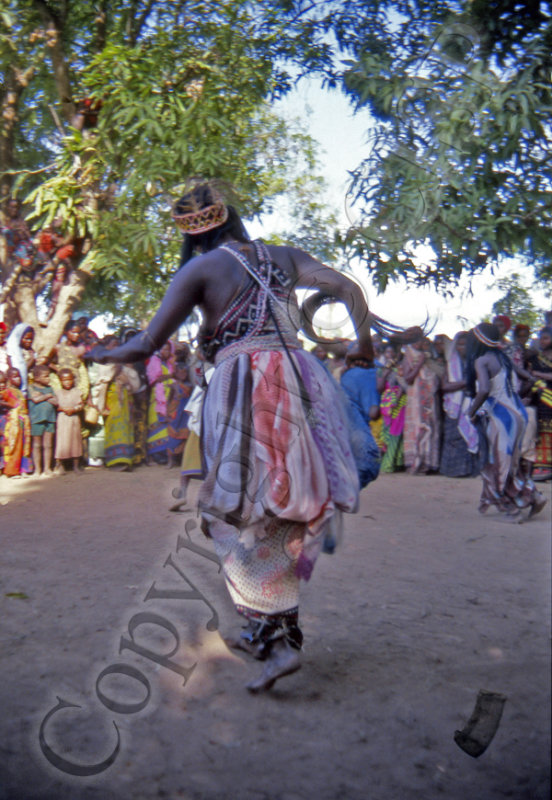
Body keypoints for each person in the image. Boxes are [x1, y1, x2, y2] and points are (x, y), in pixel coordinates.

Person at [87, 181, 374, 692]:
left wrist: (104, 354)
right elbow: (350, 290)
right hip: (299, 379)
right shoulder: (283, 256)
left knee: (233, 513)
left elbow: (146, 344)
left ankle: (279, 640)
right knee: (280, 503)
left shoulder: (199, 268)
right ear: (233, 218)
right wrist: (363, 346)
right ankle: (269, 631)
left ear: (191, 233)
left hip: (242, 384)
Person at [466, 323, 545, 520]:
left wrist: (471, 410)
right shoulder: (504, 357)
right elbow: (528, 377)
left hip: (501, 417)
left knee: (498, 463)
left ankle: (510, 507)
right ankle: (531, 494)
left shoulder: (482, 361)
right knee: (511, 462)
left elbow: (484, 389)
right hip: (518, 413)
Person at [439, 331, 481, 478]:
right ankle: (453, 470)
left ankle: (470, 470)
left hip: (472, 404)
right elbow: (444, 386)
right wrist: (465, 383)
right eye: (460, 345)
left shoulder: (477, 362)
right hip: (454, 407)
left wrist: (460, 385)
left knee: (470, 435)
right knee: (453, 438)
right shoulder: (450, 364)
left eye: (466, 345)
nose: (463, 348)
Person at [340, 349, 381, 488]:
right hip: (355, 425)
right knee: (369, 463)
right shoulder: (372, 374)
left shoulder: (345, 373)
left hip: (338, 423)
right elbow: (373, 412)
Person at [402, 334, 442, 474]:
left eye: (421, 340)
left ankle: (427, 463)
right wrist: (420, 363)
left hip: (429, 399)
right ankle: (415, 463)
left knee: (430, 428)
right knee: (417, 428)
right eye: (417, 340)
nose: (420, 343)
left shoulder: (429, 356)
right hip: (416, 398)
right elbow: (408, 378)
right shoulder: (408, 357)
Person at [377, 343, 407, 473]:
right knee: (387, 432)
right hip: (386, 404)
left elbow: (406, 387)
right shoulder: (381, 370)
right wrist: (385, 374)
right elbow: (378, 388)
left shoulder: (403, 368)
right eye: (388, 353)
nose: (391, 355)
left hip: (400, 404)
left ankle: (392, 463)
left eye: (393, 352)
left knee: (397, 432)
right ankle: (390, 461)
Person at [527, 326, 552, 481]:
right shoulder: (535, 358)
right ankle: (543, 466)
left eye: (546, 338)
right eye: (540, 338)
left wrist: (538, 374)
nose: (542, 341)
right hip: (541, 399)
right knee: (542, 430)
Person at [145, 341, 175, 464]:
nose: (165, 352)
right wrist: (169, 377)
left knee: (166, 424)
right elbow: (154, 378)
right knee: (155, 421)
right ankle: (154, 453)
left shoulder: (170, 364)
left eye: (167, 350)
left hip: (169, 395)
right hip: (157, 398)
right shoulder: (154, 361)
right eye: (163, 349)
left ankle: (164, 453)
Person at [1, 367, 32, 477]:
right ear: (9, 379)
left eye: (19, 376)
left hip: (23, 422)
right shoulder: (7, 391)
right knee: (14, 445)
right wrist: (9, 405)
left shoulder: (20, 391)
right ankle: (12, 471)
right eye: (14, 377)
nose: (18, 379)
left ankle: (24, 469)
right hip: (14, 422)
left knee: (25, 445)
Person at [28, 364, 57, 476]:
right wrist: (47, 396)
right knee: (36, 445)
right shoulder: (32, 387)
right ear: (37, 378)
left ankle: (47, 468)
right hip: (37, 419)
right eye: (45, 376)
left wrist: (45, 396)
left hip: (50, 419)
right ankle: (37, 469)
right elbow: (35, 399)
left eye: (48, 376)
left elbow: (56, 402)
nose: (48, 379)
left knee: (48, 445)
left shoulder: (50, 389)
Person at [54, 368, 84, 473]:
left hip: (74, 419)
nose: (67, 382)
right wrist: (63, 409)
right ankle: (60, 465)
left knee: (75, 441)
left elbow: (81, 405)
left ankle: (76, 465)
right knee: (62, 442)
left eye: (69, 379)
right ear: (60, 380)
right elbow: (55, 406)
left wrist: (74, 409)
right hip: (62, 419)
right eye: (64, 380)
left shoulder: (77, 392)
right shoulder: (57, 393)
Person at [6, 323, 35, 394]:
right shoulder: (15, 352)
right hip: (18, 384)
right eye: (26, 339)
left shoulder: (31, 351)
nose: (29, 341)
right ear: (19, 337)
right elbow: (19, 370)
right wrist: (31, 360)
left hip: (29, 383)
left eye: (31, 339)